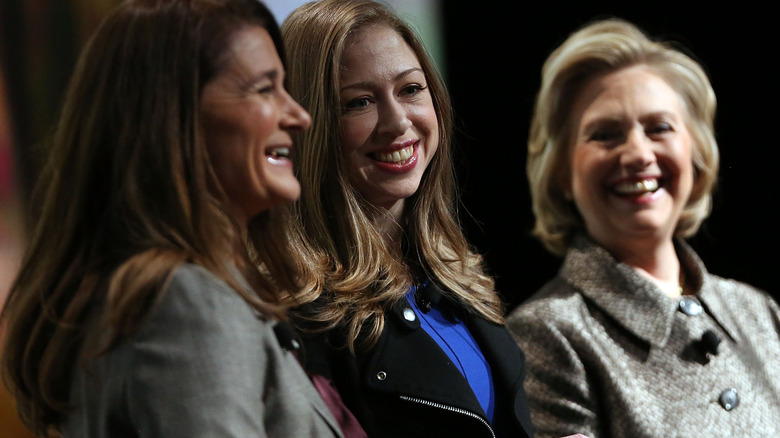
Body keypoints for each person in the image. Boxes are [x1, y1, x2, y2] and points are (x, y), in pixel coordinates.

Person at [0, 0, 346, 436]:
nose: (299, 116)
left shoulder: (142, 292)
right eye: (264, 89)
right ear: (174, 115)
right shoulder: (189, 301)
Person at [507, 18, 780, 438]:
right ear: (560, 169)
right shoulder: (545, 335)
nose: (637, 154)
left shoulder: (759, 311)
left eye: (660, 128)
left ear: (697, 153)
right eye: (605, 134)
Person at [278, 1, 533, 437]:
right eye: (358, 102)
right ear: (309, 126)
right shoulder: (297, 314)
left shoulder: (457, 277)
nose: (398, 122)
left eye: (411, 89)